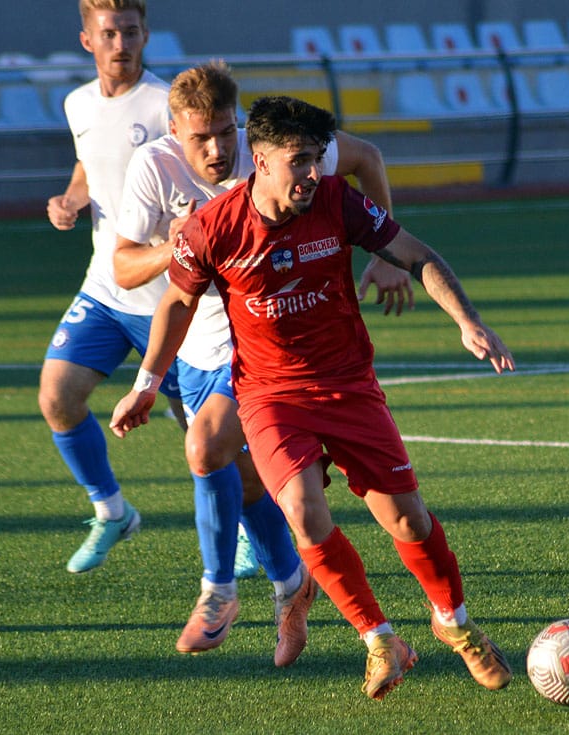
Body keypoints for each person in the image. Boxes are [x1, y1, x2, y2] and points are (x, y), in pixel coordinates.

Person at [109, 95, 514, 700]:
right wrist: (144, 385)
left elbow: (417, 255)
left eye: (317, 159)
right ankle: (379, 639)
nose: (311, 173)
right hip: (269, 395)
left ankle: (454, 624)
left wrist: (467, 320)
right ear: (260, 160)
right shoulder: (213, 227)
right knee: (301, 509)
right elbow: (177, 302)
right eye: (298, 161)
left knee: (407, 519)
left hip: (349, 385)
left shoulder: (336, 200)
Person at [112, 62, 412, 661]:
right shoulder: (154, 167)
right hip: (197, 346)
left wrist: (384, 255)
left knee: (206, 447)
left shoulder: (280, 154)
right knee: (246, 479)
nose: (218, 148)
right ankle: (291, 584)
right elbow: (123, 267)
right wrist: (177, 245)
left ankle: (218, 590)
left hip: (266, 350)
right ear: (175, 131)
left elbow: (367, 157)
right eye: (202, 137)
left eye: (227, 132)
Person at [40, 0, 207, 574]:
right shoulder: (77, 103)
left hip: (172, 294)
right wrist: (69, 200)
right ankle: (111, 512)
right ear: (87, 40)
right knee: (57, 397)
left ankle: (243, 526)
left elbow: (206, 169)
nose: (121, 43)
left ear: (146, 35)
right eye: (109, 33)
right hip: (106, 288)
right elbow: (89, 167)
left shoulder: (165, 104)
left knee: (201, 433)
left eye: (130, 32)